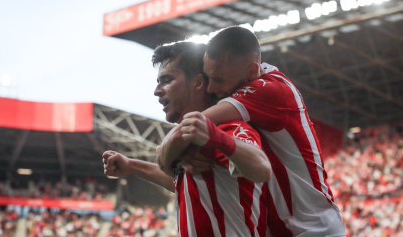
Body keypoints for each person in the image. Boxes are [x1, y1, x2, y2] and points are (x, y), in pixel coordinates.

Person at [157, 27, 346, 236]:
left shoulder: (269, 89)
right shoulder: (246, 91)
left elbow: (194, 125)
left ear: (252, 71)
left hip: (313, 229)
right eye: (208, 78)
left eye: (218, 79)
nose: (210, 88)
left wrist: (169, 156)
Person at [102, 42, 272, 236]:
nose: (157, 90)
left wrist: (217, 138)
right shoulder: (188, 144)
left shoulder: (227, 128)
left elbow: (262, 168)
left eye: (167, 80)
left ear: (198, 83)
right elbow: (182, 182)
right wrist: (131, 166)